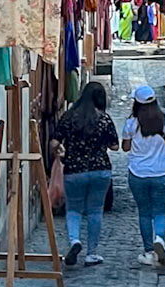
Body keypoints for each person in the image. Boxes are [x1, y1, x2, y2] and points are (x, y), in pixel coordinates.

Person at [49, 81, 119, 268]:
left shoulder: (69, 116)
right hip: (100, 170)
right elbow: (115, 145)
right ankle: (92, 253)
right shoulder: (104, 118)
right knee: (95, 210)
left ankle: (74, 241)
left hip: (75, 170)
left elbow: (54, 143)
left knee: (73, 209)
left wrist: (61, 152)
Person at [123, 83, 165, 271]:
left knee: (144, 212)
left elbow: (125, 147)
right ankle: (160, 240)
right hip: (160, 173)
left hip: (138, 174)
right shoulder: (164, 121)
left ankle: (149, 251)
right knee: (160, 211)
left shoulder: (131, 123)